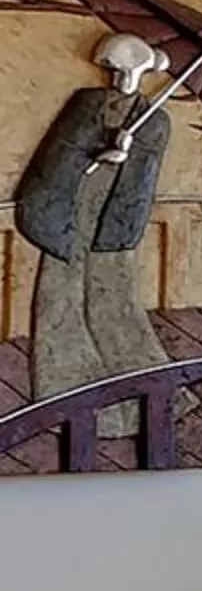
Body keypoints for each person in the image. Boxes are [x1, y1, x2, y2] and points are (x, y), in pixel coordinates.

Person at [13, 33, 176, 437]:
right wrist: (98, 152)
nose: (121, 78)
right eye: (116, 70)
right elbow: (58, 153)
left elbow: (143, 177)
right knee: (61, 294)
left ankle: (141, 400)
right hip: (71, 205)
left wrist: (127, 155)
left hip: (113, 213)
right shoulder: (87, 104)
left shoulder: (154, 119)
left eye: (129, 72)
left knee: (113, 297)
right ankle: (66, 396)